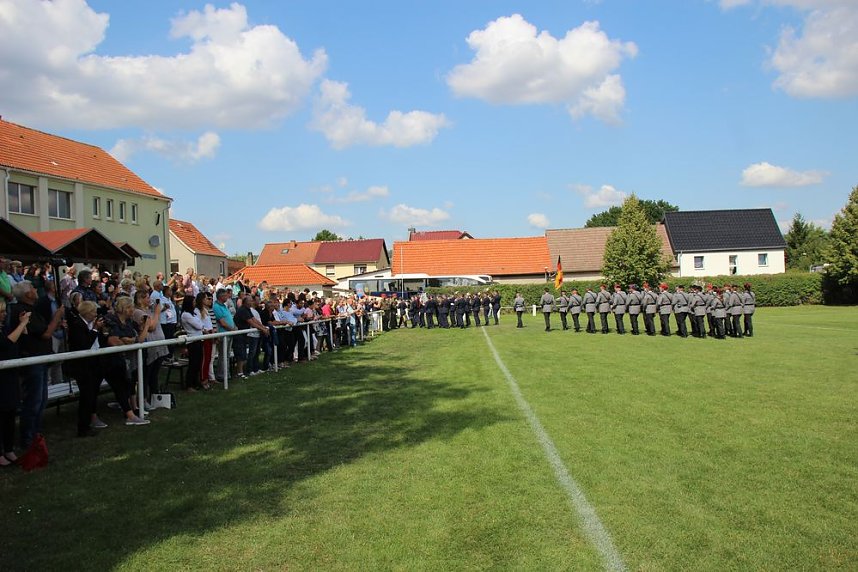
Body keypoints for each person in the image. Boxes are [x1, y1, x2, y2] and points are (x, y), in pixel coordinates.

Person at [8, 281, 65, 448]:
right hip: (32, 361)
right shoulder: (23, 311)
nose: (35, 290)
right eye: (32, 288)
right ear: (27, 294)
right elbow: (46, 334)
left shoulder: (33, 310)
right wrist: (57, 317)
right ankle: (28, 438)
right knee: (33, 401)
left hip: (40, 360)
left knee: (40, 400)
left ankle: (35, 435)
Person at [102, 296, 150, 425]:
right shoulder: (110, 319)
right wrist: (126, 340)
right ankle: (129, 414)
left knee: (127, 384)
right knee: (120, 385)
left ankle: (132, 410)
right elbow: (114, 341)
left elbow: (137, 339)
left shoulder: (129, 322)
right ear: (124, 308)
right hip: (110, 360)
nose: (133, 310)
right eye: (130, 307)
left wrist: (127, 340)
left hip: (124, 359)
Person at [66, 301, 108, 436]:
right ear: (86, 312)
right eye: (93, 312)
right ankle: (83, 427)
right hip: (83, 366)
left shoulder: (88, 324)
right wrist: (95, 329)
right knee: (86, 396)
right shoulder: (77, 325)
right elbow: (84, 344)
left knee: (92, 394)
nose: (95, 314)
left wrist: (99, 330)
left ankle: (89, 422)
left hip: (95, 362)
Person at [0, 300, 29, 465]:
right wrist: (22, 324)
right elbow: (6, 343)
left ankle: (9, 448)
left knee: (10, 412)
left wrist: (21, 325)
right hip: (1, 378)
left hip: (10, 374)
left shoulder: (4, 328)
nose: (4, 315)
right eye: (2, 312)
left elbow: (16, 342)